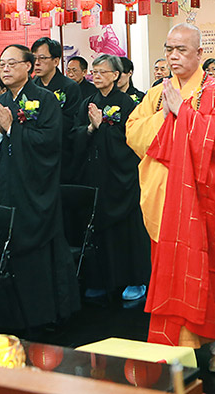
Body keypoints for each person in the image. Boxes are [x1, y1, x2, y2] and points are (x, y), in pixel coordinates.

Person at [126, 23, 215, 373]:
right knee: (170, 271)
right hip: (165, 200)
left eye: (182, 50)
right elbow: (133, 131)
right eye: (169, 49)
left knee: (212, 270)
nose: (173, 56)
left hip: (204, 201)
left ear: (200, 55)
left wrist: (184, 114)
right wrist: (166, 115)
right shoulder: (158, 94)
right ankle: (175, 346)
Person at [0, 44, 80, 329]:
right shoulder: (2, 99)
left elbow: (51, 142)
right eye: (2, 63)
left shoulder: (45, 99)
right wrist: (2, 132)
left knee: (36, 252)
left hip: (35, 188)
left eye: (12, 63)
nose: (5, 68)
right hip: (7, 181)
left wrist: (13, 129)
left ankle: (43, 314)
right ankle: (10, 313)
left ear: (29, 66)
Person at [71, 54, 150, 301]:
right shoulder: (87, 103)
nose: (96, 75)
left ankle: (134, 280)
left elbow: (134, 141)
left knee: (127, 230)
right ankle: (101, 279)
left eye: (102, 71)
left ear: (116, 75)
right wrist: (91, 128)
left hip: (122, 177)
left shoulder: (128, 104)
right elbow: (75, 135)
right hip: (96, 175)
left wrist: (103, 128)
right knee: (96, 227)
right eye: (94, 71)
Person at [32, 37, 82, 182]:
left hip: (60, 150)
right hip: (34, 150)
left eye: (42, 58)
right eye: (34, 58)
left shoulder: (70, 87)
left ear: (56, 61)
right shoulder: (32, 85)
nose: (37, 63)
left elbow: (71, 121)